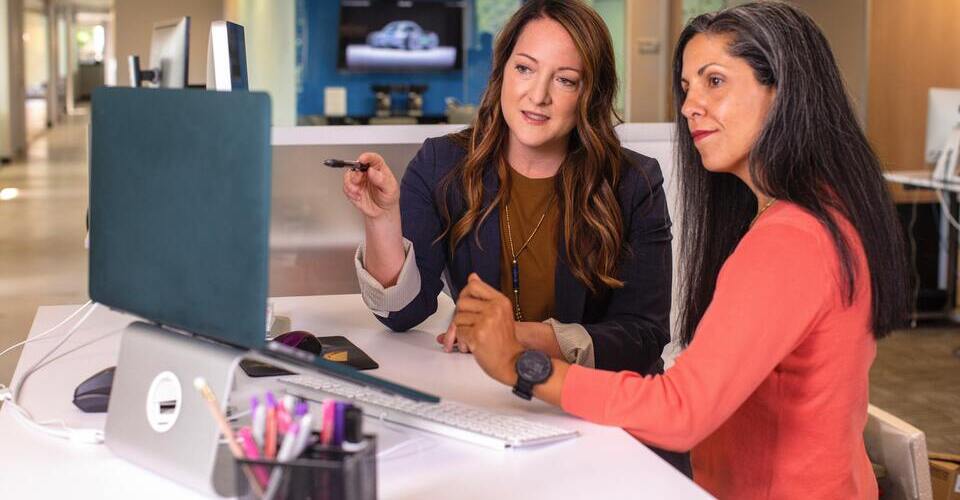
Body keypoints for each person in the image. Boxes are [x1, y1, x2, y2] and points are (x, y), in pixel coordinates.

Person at [451, 2, 911, 498]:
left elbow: (682, 412)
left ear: (783, 92)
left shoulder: (792, 238)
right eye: (688, 87)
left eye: (715, 81)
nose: (690, 105)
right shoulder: (823, 212)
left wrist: (521, 365)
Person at [342, 0, 688, 473]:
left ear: (590, 92)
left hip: (606, 421)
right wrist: (382, 219)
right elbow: (403, 313)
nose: (538, 95)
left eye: (565, 79)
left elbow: (644, 337)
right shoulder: (442, 165)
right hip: (496, 413)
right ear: (503, 71)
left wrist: (518, 340)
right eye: (525, 68)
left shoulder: (633, 182)